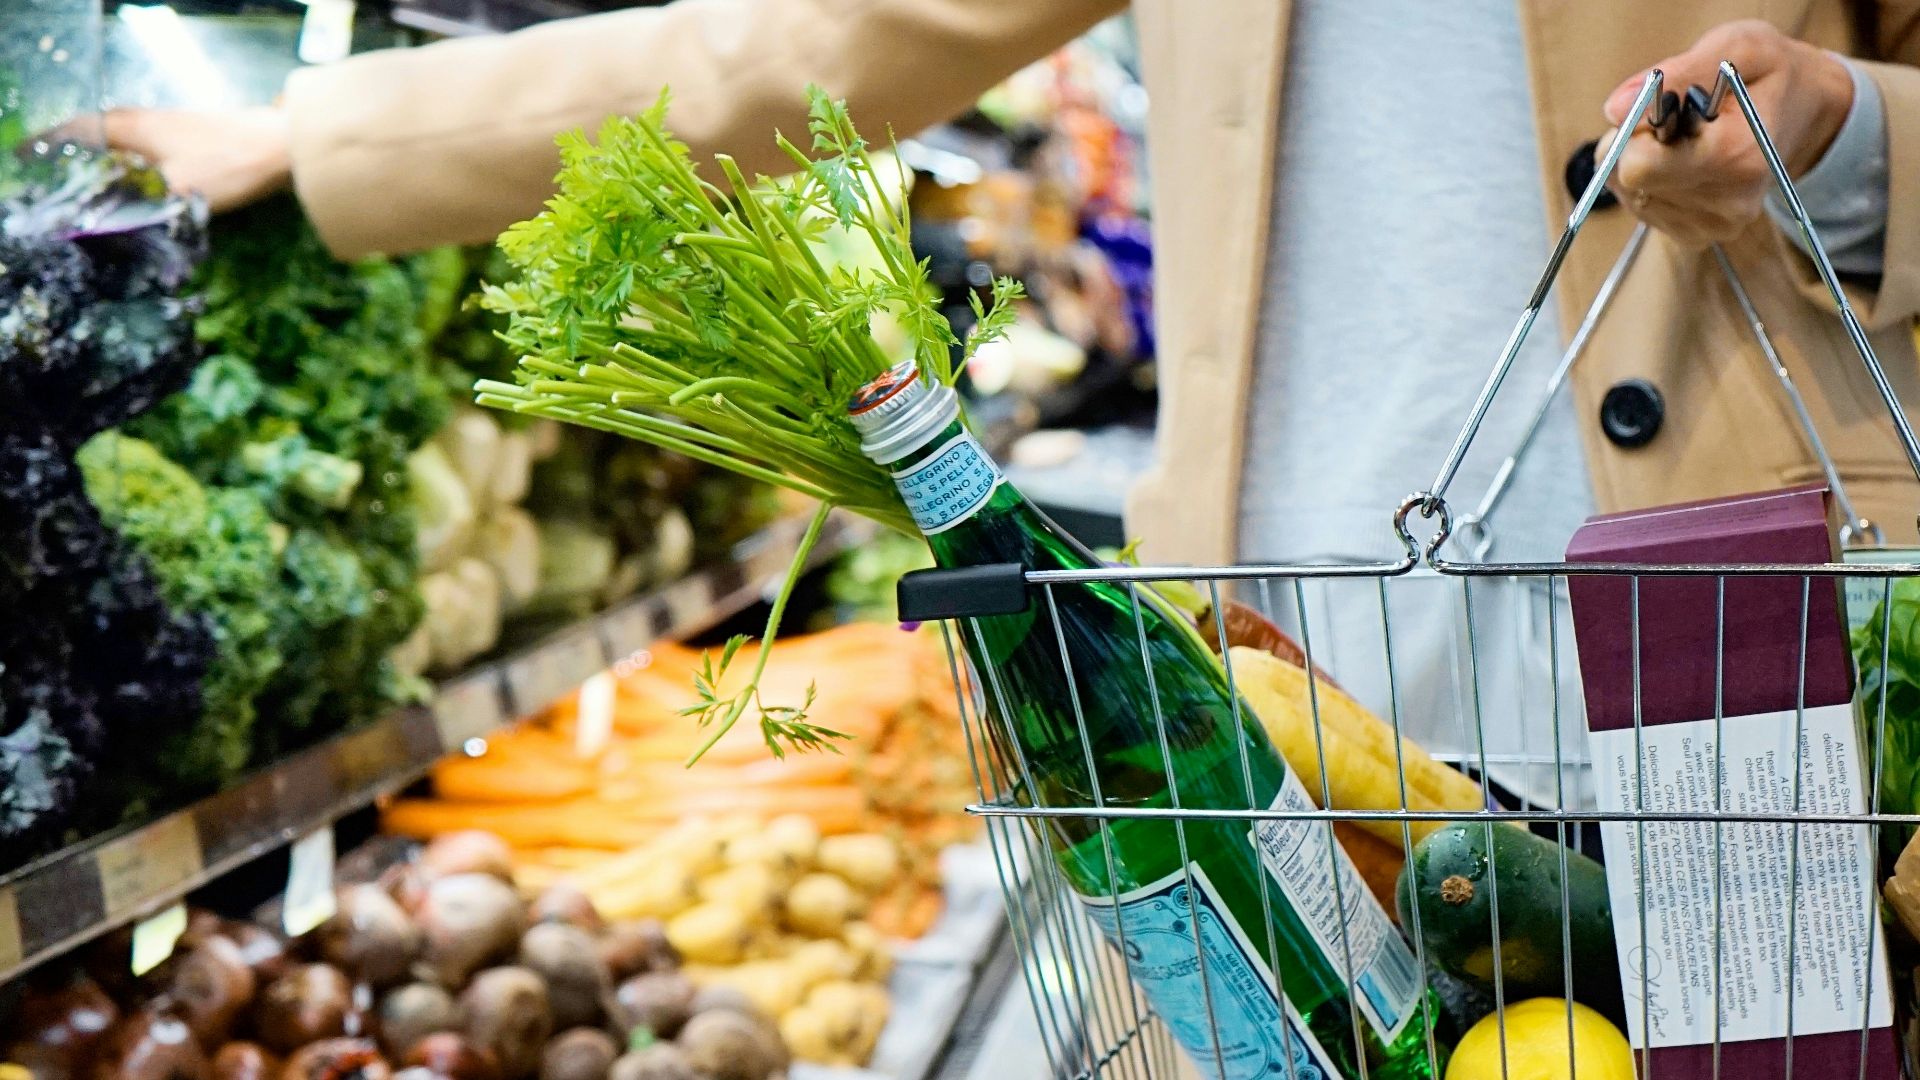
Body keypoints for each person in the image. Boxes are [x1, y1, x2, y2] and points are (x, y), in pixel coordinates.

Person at [93, 2, 1920, 807]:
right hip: (1285, 667)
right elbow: (789, 46)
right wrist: (322, 137)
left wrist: (1846, 142)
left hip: (1761, 649)